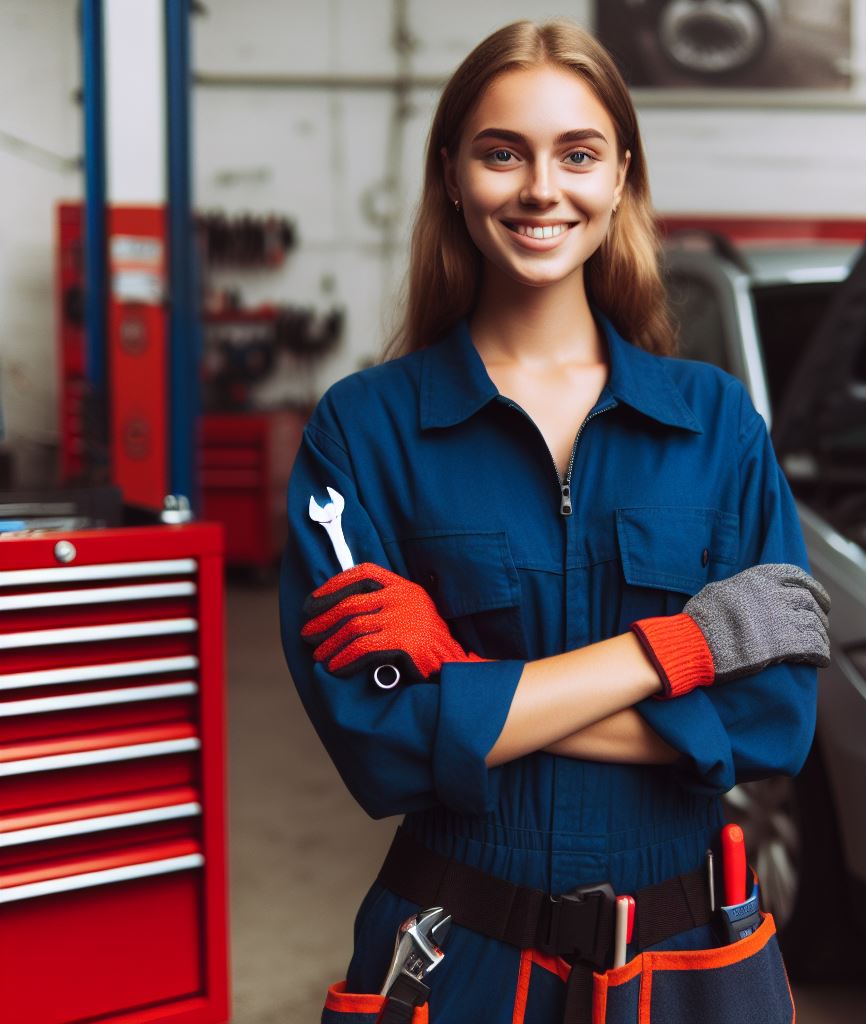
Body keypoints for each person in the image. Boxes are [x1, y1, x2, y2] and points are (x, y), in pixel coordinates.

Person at [279, 18, 830, 1024]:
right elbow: (383, 739)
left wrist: (467, 690)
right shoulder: (364, 432)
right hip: (457, 960)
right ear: (451, 174)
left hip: (691, 959)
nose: (542, 189)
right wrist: (690, 646)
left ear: (621, 175)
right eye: (503, 153)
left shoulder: (714, 425)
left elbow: (772, 722)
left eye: (577, 154)